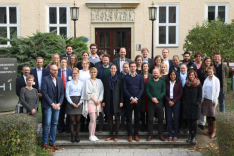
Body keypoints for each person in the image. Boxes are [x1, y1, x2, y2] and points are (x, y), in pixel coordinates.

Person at [41, 65, 64, 150]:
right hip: (48, 105)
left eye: (57, 70)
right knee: (46, 124)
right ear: (50, 70)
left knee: (54, 123)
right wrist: (52, 103)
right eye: (54, 70)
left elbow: (62, 92)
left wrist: (59, 103)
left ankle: (52, 142)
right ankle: (44, 143)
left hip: (57, 104)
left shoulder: (60, 79)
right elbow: (44, 92)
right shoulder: (45, 79)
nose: (55, 72)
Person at [122, 61, 144, 142]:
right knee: (129, 118)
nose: (133, 68)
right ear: (129, 67)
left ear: (136, 67)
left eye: (134, 66)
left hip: (138, 101)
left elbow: (142, 88)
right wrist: (131, 98)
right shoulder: (125, 77)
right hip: (129, 100)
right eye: (131, 66)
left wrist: (136, 98)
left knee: (137, 118)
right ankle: (130, 135)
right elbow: (124, 89)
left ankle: (136, 134)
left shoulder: (140, 77)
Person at [81, 67, 104, 142]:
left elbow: (102, 91)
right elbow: (87, 92)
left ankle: (93, 134)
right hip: (91, 102)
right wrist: (95, 100)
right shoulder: (87, 81)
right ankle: (90, 135)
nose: (93, 74)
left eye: (94, 72)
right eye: (91, 72)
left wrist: (99, 100)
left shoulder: (99, 81)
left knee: (95, 120)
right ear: (89, 73)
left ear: (96, 73)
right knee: (92, 119)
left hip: (98, 103)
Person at [102, 64, 123, 142]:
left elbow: (121, 91)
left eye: (114, 68)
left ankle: (116, 135)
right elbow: (104, 90)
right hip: (108, 100)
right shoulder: (106, 78)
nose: (113, 70)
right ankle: (111, 135)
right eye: (112, 68)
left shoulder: (120, 78)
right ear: (110, 69)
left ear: (116, 69)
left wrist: (121, 101)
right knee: (110, 117)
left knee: (117, 118)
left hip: (117, 101)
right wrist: (103, 101)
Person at [146, 69, 166, 141]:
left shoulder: (162, 82)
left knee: (160, 119)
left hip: (159, 103)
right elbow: (147, 92)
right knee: (150, 119)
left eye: (157, 73)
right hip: (151, 103)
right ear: (152, 73)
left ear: (159, 73)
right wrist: (152, 98)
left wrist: (157, 98)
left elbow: (164, 92)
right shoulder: (149, 82)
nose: (155, 74)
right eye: (154, 73)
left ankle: (160, 135)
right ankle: (150, 135)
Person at [183, 70, 202, 143]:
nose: (191, 76)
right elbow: (184, 94)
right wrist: (184, 102)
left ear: (195, 76)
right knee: (188, 121)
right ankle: (190, 136)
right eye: (190, 75)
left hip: (195, 105)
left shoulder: (198, 84)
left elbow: (200, 94)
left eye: (192, 75)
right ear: (188, 76)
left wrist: (197, 102)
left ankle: (194, 136)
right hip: (187, 105)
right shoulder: (186, 84)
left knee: (194, 121)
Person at [65, 67, 84, 143]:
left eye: (76, 73)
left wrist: (80, 102)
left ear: (78, 74)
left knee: (78, 121)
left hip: (79, 101)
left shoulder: (81, 83)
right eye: (73, 73)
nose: (75, 74)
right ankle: (72, 136)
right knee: (71, 121)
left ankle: (77, 136)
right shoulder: (69, 83)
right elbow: (67, 94)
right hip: (71, 102)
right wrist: (71, 102)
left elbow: (83, 94)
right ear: (72, 74)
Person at [201, 66, 220, 139]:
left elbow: (217, 91)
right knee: (207, 115)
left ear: (213, 72)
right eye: (208, 72)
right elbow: (203, 89)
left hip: (212, 100)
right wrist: (202, 99)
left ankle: (214, 131)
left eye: (211, 72)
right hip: (206, 99)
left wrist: (215, 99)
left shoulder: (216, 80)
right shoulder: (206, 79)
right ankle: (209, 129)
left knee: (212, 115)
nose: (209, 73)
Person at [164, 70, 183, 141]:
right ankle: (170, 135)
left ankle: (175, 135)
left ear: (176, 75)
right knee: (168, 119)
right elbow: (164, 93)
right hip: (168, 102)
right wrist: (169, 101)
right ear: (169, 75)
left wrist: (173, 101)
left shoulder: (179, 83)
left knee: (176, 119)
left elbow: (180, 94)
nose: (172, 76)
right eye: (171, 74)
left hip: (176, 102)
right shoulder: (166, 83)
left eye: (174, 74)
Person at [197, 56, 213, 130]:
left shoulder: (212, 70)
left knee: (210, 107)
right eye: (207, 61)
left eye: (209, 61)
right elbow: (198, 80)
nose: (208, 62)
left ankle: (210, 123)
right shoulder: (200, 70)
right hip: (202, 91)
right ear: (204, 62)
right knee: (202, 107)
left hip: (210, 91)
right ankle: (202, 123)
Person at [96, 54, 111, 132]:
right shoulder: (98, 69)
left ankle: (109, 126)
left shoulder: (112, 69)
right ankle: (100, 126)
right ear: (102, 60)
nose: (105, 61)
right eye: (104, 60)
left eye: (106, 60)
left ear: (109, 60)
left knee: (108, 109)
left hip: (109, 92)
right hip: (99, 92)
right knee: (100, 111)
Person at [57, 57, 72, 133]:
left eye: (64, 62)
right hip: (60, 93)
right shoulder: (57, 71)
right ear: (60, 63)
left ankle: (68, 127)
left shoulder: (70, 71)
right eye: (62, 62)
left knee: (69, 110)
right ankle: (61, 126)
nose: (63, 63)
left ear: (66, 63)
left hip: (68, 93)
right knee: (61, 111)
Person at [79, 59, 91, 132]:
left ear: (88, 64)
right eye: (83, 63)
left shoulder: (90, 72)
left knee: (89, 110)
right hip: (80, 94)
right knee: (82, 110)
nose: (85, 65)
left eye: (86, 64)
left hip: (89, 94)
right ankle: (82, 126)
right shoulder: (79, 72)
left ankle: (88, 126)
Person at [140, 62, 153, 132]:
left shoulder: (151, 76)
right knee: (142, 112)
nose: (145, 67)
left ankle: (148, 126)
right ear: (142, 68)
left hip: (149, 96)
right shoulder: (139, 76)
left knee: (148, 112)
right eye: (144, 66)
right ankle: (143, 126)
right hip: (142, 96)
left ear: (148, 67)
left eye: (146, 66)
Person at [120, 62, 130, 131]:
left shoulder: (132, 75)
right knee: (123, 113)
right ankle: (122, 126)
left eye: (127, 67)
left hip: (131, 96)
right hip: (123, 96)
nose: (126, 68)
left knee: (129, 112)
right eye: (124, 67)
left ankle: (129, 126)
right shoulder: (120, 75)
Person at [179, 64, 188, 133]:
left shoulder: (190, 75)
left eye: (184, 68)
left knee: (186, 111)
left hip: (187, 96)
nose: (183, 69)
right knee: (180, 111)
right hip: (179, 95)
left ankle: (186, 126)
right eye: (181, 68)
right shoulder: (177, 75)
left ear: (186, 68)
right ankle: (180, 126)